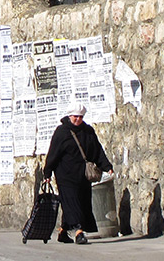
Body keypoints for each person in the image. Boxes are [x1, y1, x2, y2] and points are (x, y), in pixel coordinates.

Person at [43, 103, 114, 244]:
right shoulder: (62, 132)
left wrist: (107, 166)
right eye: (75, 117)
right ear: (69, 116)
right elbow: (53, 154)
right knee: (72, 202)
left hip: (83, 176)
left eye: (80, 117)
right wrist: (47, 173)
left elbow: (97, 150)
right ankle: (79, 232)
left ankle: (63, 231)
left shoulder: (88, 131)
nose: (77, 120)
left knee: (81, 203)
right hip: (65, 175)